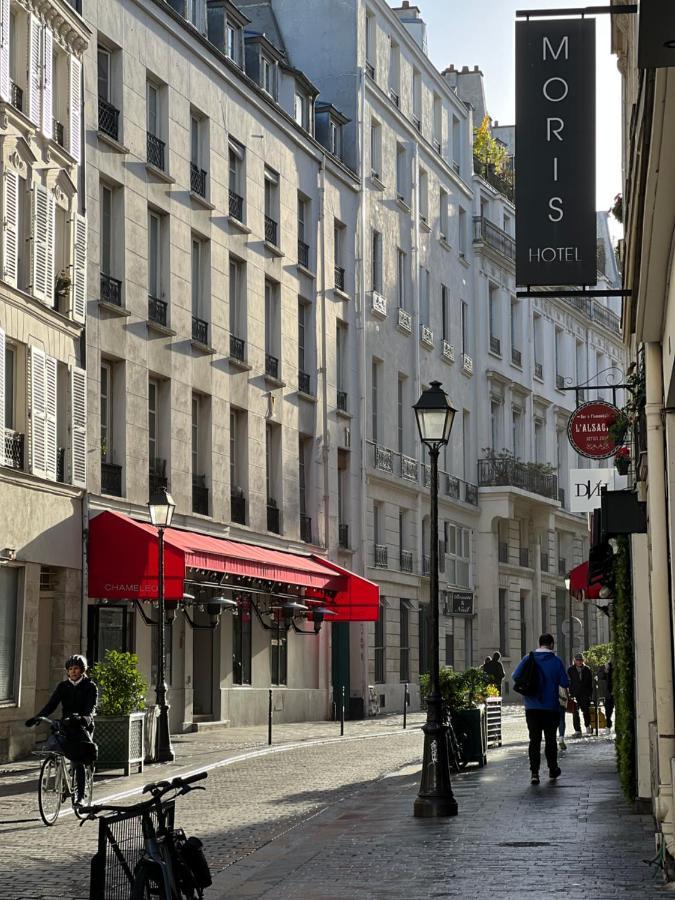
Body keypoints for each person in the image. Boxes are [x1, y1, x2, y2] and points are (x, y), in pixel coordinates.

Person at [25, 654, 97, 804]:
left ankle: (80, 796)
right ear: (67, 671)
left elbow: (91, 709)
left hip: (82, 726)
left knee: (78, 761)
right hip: (66, 725)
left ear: (82, 670)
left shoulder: (90, 686)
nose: (73, 672)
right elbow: (51, 705)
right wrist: (38, 717)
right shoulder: (63, 687)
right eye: (70, 669)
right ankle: (63, 780)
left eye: (76, 668)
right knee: (55, 746)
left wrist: (83, 718)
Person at [513, 633, 569, 785]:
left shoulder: (528, 658)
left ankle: (534, 773)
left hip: (531, 707)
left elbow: (515, 675)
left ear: (539, 644)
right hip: (551, 707)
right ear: (551, 644)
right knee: (551, 740)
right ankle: (552, 769)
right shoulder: (556, 661)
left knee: (534, 740)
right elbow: (565, 682)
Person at [568, 652, 594, 736]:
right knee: (575, 712)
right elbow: (570, 681)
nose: (579, 662)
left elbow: (590, 682)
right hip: (575, 693)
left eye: (581, 660)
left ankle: (587, 726)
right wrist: (570, 693)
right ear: (574, 661)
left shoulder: (587, 669)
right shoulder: (570, 669)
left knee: (586, 711)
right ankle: (577, 730)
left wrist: (590, 694)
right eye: (577, 660)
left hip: (585, 693)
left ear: (583, 661)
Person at [604, 660, 615, 730]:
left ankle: (611, 726)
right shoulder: (607, 666)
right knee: (608, 710)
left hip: (615, 691)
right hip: (608, 693)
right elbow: (601, 677)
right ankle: (608, 725)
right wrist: (606, 671)